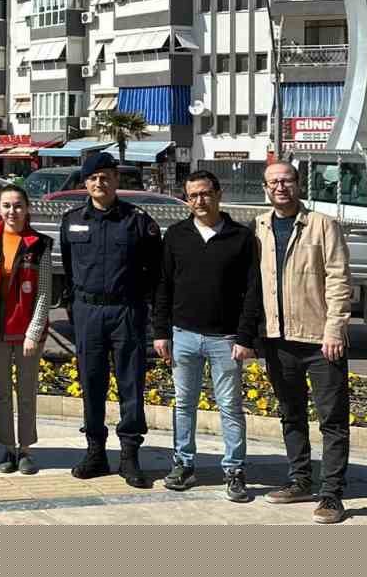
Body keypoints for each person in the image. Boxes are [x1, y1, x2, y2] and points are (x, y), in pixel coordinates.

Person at [251, 160, 353, 524]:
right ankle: (300, 480)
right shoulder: (259, 226)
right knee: (290, 414)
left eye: (287, 180)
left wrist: (334, 329)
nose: (281, 187)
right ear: (265, 188)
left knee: (332, 419)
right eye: (274, 181)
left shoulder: (323, 225)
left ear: (299, 184)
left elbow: (340, 280)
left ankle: (331, 493)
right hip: (277, 339)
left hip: (319, 340)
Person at [154, 170, 262, 503]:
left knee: (230, 406)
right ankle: (184, 464)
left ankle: (234, 470)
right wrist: (160, 332)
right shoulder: (176, 235)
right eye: (193, 195)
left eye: (205, 193)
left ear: (218, 194)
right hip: (183, 335)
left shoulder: (241, 237)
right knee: (183, 404)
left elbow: (252, 291)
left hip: (225, 339)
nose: (200, 201)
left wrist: (245, 338)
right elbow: (163, 286)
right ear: (186, 199)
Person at [59, 151, 161, 488]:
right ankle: (95, 451)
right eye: (92, 178)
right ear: (85, 183)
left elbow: (155, 272)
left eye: (105, 177)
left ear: (116, 180)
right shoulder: (72, 220)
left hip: (126, 311)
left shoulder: (138, 221)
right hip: (88, 311)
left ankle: (129, 455)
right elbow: (70, 270)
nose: (99, 183)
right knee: (91, 382)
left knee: (131, 383)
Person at [0, 184, 53, 475]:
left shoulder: (40, 244)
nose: (12, 211)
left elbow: (44, 292)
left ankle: (25, 449)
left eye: (18, 205)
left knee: (26, 392)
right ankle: (7, 448)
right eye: (6, 206)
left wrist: (33, 332)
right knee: (1, 392)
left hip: (26, 333)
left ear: (27, 208)